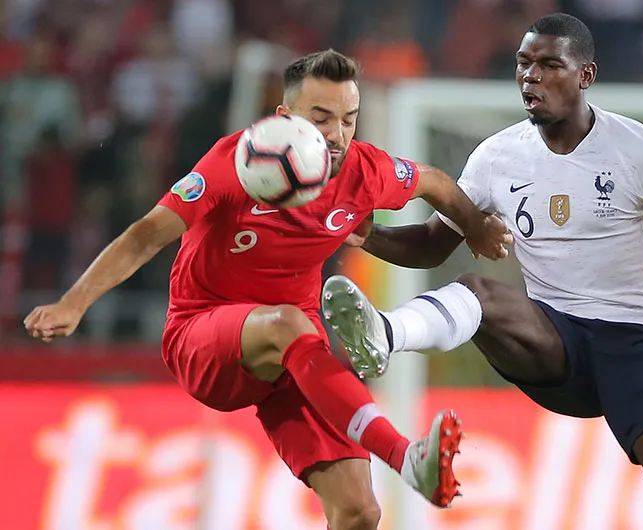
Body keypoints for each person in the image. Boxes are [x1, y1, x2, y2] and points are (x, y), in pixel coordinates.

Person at [23, 49, 513, 530]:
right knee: (288, 322)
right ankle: (406, 456)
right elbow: (146, 234)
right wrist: (75, 302)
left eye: (349, 119)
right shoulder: (232, 164)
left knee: (359, 512)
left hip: (296, 357)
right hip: (204, 337)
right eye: (321, 119)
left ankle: (399, 462)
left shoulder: (365, 172)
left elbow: (432, 182)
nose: (338, 136)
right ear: (285, 118)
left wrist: (474, 226)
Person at [323, 14, 643, 530]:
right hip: (554, 340)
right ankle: (385, 332)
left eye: (548, 65)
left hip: (641, 343)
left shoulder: (641, 151)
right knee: (476, 292)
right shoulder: (497, 157)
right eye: (524, 64)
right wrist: (365, 234)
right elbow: (432, 244)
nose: (531, 77)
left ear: (586, 75)